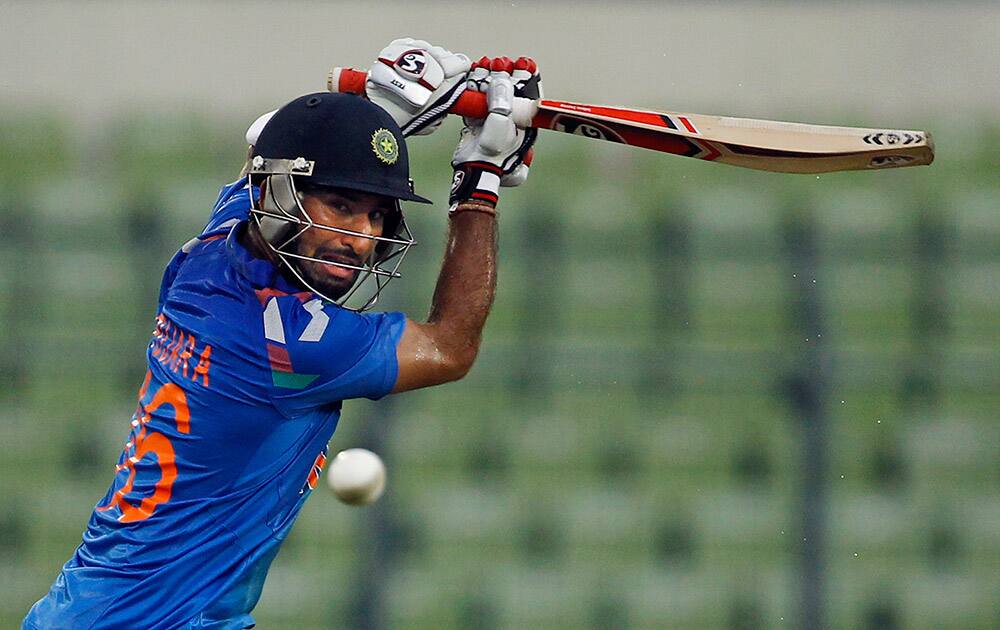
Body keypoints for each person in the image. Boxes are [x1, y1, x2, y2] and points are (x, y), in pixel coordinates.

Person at [23, 39, 541, 629]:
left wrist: (373, 113)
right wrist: (479, 184)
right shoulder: (291, 342)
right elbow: (450, 348)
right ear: (280, 195)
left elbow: (259, 149)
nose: (359, 239)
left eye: (375, 215)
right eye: (341, 205)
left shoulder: (208, 255)